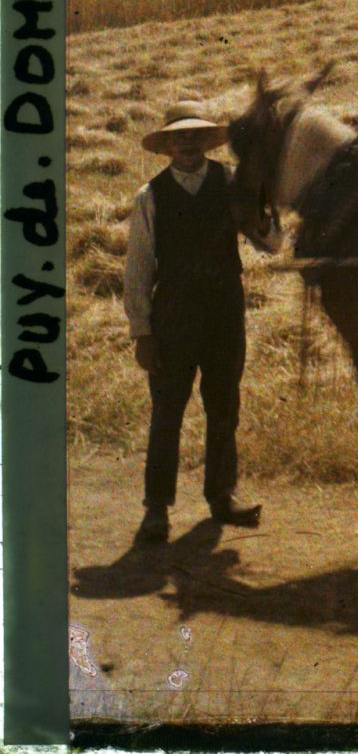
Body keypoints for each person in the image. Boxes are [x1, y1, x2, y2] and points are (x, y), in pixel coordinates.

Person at [125, 100, 261, 544]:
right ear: (166, 146)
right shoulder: (150, 197)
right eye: (178, 136)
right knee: (168, 411)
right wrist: (142, 332)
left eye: (194, 135)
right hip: (173, 318)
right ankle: (156, 510)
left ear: (206, 141)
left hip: (225, 312)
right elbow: (139, 268)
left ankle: (222, 497)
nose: (187, 143)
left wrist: (256, 218)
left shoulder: (232, 183)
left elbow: (271, 240)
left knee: (224, 406)